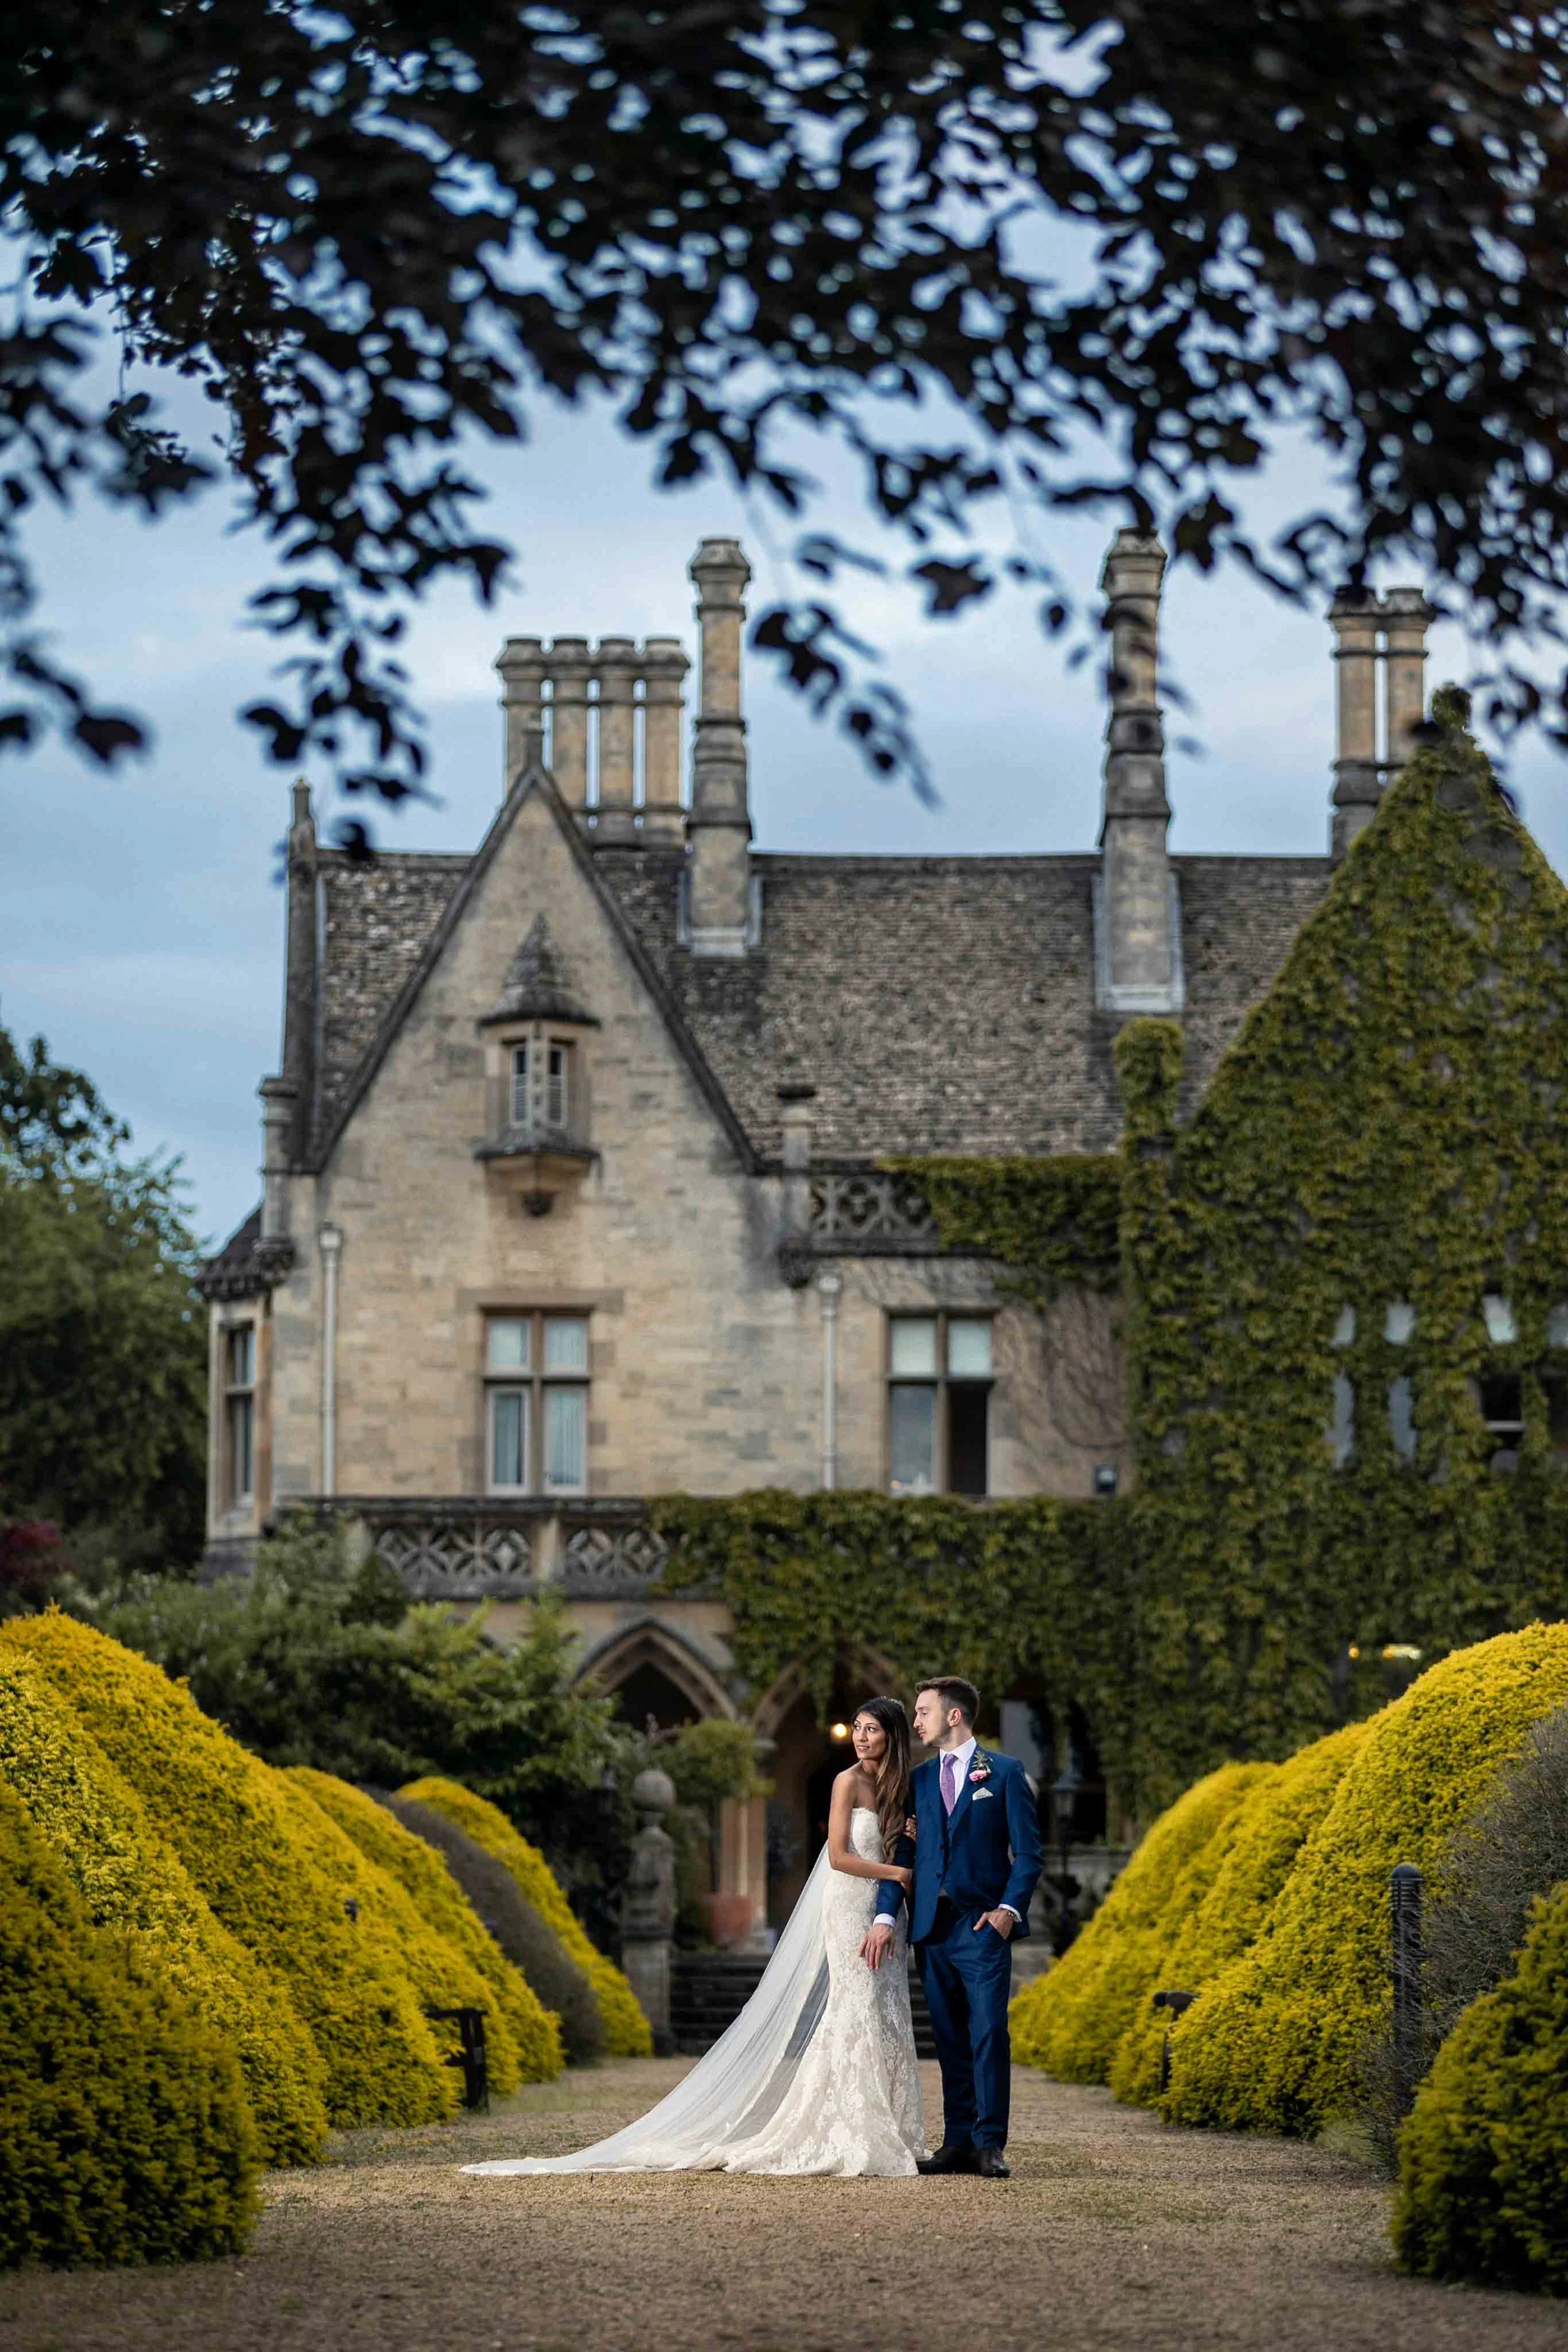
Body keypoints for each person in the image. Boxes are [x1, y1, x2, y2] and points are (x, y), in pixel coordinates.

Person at [461, 1696, 927, 2177]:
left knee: (886, 2006)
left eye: (872, 1729)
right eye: (857, 1727)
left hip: (884, 1910)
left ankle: (887, 2122)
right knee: (855, 2005)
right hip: (849, 1905)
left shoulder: (899, 1788)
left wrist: (900, 1878)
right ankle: (850, 2125)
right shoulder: (845, 1781)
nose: (861, 1736)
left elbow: (908, 1844)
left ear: (891, 1736)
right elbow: (838, 1857)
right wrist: (898, 1873)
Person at [862, 1675, 1042, 2179]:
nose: (915, 1721)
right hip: (932, 1929)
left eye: (923, 1711)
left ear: (954, 1715)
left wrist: (1008, 1912)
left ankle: (990, 2144)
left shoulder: (1004, 1773)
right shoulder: (918, 1782)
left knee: (988, 2033)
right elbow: (906, 1852)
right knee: (947, 2039)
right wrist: (884, 1913)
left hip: (982, 1927)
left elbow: (1029, 1855)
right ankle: (959, 2142)